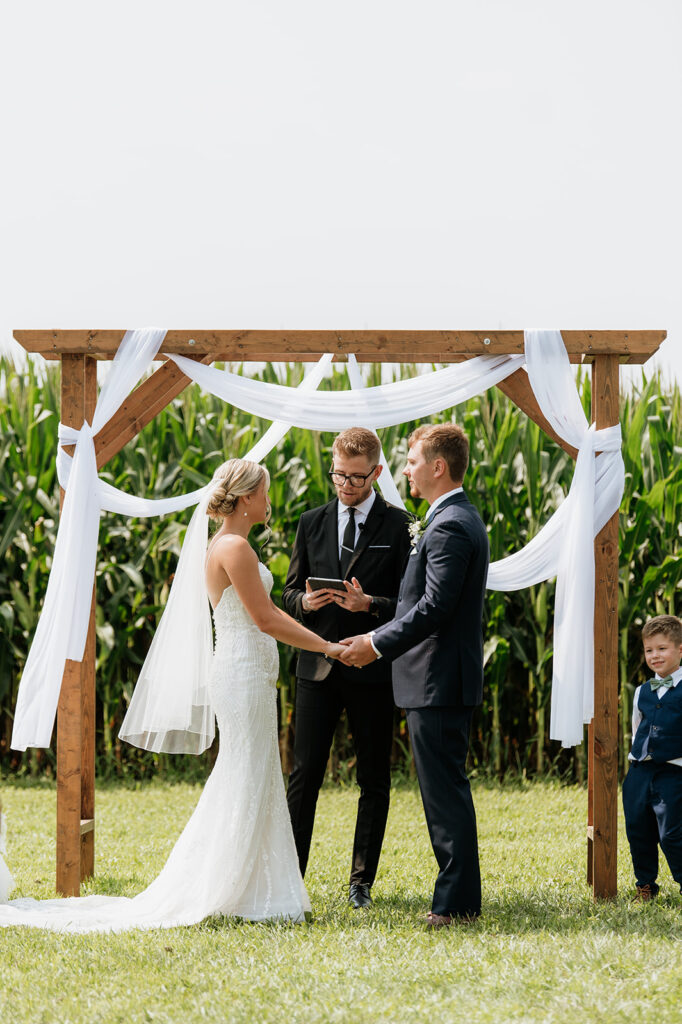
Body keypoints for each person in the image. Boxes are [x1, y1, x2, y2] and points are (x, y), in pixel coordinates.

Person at [0, 458, 345, 932]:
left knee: (256, 771)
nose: (269, 499)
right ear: (246, 498)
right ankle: (224, 886)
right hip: (242, 673)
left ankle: (260, 888)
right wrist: (329, 646)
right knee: (245, 772)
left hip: (250, 673)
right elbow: (265, 618)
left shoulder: (231, 545)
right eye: (264, 491)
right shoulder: (234, 549)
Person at [339, 424, 489, 927]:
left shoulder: (448, 525)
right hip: (437, 678)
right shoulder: (451, 517)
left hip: (439, 678)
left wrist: (375, 643)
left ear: (438, 466)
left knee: (444, 792)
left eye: (411, 460)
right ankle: (460, 897)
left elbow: (435, 606)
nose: (406, 469)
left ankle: (456, 905)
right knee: (445, 789)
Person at [282, 428, 411, 908]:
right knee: (304, 775)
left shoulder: (399, 527)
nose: (346, 486)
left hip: (372, 669)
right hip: (316, 667)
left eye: (357, 478)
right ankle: (291, 877)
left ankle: (361, 883)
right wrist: (306, 602)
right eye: (339, 475)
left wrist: (370, 604)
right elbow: (288, 592)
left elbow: (410, 603)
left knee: (374, 778)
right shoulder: (310, 522)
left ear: (377, 472)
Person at [622, 614, 682, 902]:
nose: (655, 655)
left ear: (680, 649)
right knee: (637, 829)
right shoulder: (641, 691)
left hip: (673, 771)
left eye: (662, 648)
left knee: (672, 832)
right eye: (649, 650)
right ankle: (645, 885)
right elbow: (637, 728)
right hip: (640, 770)